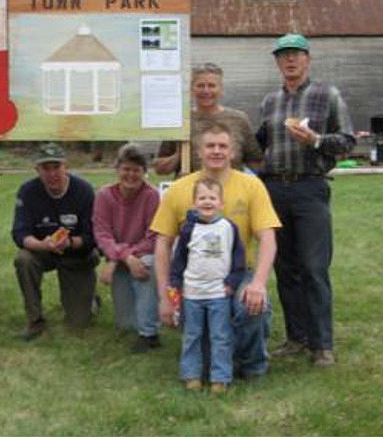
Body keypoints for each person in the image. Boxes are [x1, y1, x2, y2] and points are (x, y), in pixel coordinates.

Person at [152, 121, 281, 379]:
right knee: (206, 358)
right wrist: (166, 295)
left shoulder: (251, 185)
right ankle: (218, 360)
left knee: (252, 305)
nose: (217, 151)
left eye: (223, 146)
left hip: (238, 273)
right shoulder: (179, 189)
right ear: (199, 151)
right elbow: (162, 244)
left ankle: (252, 365)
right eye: (210, 146)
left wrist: (257, 283)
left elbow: (268, 238)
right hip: (195, 279)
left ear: (232, 152)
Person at [256, 33, 355, 367]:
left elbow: (347, 143)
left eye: (296, 54)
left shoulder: (328, 95)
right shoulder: (270, 102)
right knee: (286, 269)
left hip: (310, 187)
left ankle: (322, 344)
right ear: (277, 62)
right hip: (274, 190)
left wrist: (315, 140)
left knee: (314, 268)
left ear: (307, 59)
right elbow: (259, 146)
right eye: (283, 55)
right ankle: (296, 337)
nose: (290, 60)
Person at [12, 143, 97, 340]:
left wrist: (70, 243)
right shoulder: (27, 191)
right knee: (24, 259)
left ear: (65, 167)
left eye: (56, 167)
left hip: (76, 252)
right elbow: (19, 233)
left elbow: (93, 236)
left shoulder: (83, 190)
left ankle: (90, 300)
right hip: (44, 250)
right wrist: (44, 245)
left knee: (78, 323)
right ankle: (35, 321)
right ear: (37, 170)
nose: (52, 174)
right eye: (45, 168)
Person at [168, 177, 246, 393]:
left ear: (221, 203)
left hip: (219, 293)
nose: (207, 202)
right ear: (194, 202)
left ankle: (220, 377)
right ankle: (191, 374)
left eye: (212, 198)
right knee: (192, 335)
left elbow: (238, 257)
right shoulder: (187, 229)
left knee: (220, 336)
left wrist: (232, 282)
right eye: (202, 197)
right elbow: (179, 258)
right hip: (192, 293)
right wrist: (175, 282)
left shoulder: (229, 228)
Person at [93, 144, 161, 353]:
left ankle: (150, 334)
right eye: (126, 169)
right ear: (118, 170)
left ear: (144, 172)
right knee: (126, 324)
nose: (131, 175)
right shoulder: (104, 195)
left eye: (136, 170)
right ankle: (141, 319)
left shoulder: (152, 196)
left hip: (143, 256)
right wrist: (120, 258)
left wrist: (124, 257)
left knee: (146, 269)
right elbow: (102, 234)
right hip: (120, 257)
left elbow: (153, 237)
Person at [153, 63, 262, 176]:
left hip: (231, 190)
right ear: (191, 89)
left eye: (211, 85)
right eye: (200, 86)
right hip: (191, 190)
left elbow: (255, 161)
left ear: (221, 89)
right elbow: (159, 170)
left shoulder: (239, 120)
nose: (206, 91)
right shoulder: (180, 122)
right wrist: (179, 154)